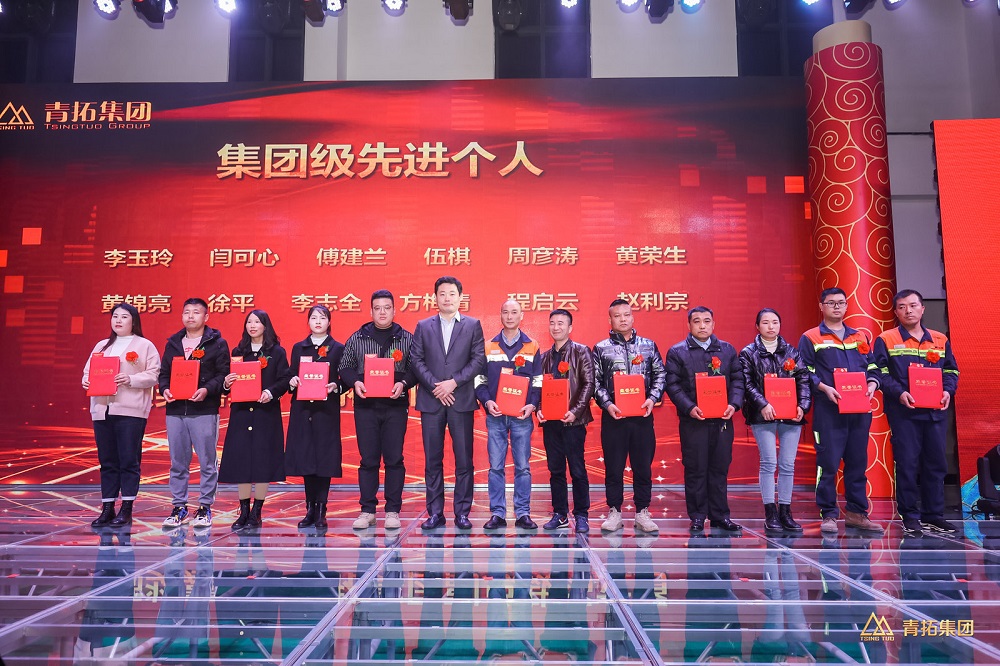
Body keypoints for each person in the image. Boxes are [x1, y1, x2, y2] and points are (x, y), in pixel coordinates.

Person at [873, 289, 960, 536]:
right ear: (896, 312)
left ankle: (934, 515)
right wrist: (900, 392)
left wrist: (948, 391)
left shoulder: (940, 339)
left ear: (922, 309)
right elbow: (879, 372)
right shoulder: (887, 339)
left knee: (936, 464)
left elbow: (951, 370)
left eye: (913, 305)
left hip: (935, 412)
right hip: (904, 413)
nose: (908, 310)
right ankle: (910, 516)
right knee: (908, 464)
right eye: (902, 307)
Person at [799, 287, 883, 534]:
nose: (836, 306)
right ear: (821, 306)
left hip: (859, 410)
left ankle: (857, 513)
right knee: (828, 464)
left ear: (846, 306)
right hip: (829, 410)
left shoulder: (859, 336)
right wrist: (824, 388)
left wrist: (872, 384)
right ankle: (828, 514)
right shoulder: (811, 337)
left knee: (857, 462)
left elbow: (873, 368)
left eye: (841, 302)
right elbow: (804, 371)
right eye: (831, 303)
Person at [410, 276, 486, 531]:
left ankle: (462, 513)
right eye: (442, 293)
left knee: (464, 460)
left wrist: (453, 383)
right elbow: (416, 360)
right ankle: (435, 513)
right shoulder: (423, 326)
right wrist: (437, 386)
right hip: (431, 401)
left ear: (460, 297)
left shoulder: (473, 325)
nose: (447, 298)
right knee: (433, 460)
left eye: (452, 293)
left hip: (460, 400)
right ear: (435, 297)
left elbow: (478, 360)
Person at [339, 290, 415, 531]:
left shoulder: (406, 338)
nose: (382, 312)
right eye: (378, 308)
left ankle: (393, 510)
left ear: (394, 310)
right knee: (368, 460)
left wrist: (404, 383)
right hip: (366, 407)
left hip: (395, 406)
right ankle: (367, 511)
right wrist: (355, 382)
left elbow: (415, 368)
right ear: (371, 311)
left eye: (387, 307)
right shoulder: (357, 338)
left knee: (394, 459)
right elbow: (345, 366)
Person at [665, 306, 745, 534]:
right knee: (696, 468)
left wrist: (734, 404)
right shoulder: (677, 352)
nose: (702, 325)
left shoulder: (727, 350)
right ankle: (698, 516)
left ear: (713, 324)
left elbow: (738, 380)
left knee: (720, 468)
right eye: (697, 321)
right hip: (693, 421)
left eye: (707, 321)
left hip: (722, 421)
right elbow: (673, 385)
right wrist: (689, 408)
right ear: (689, 325)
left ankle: (720, 516)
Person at [82, 302, 161, 528]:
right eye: (115, 316)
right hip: (102, 410)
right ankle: (107, 508)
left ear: (133, 321)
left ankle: (126, 509)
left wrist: (131, 379)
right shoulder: (102, 345)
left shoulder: (144, 345)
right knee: (107, 461)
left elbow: (154, 374)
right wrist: (86, 380)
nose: (118, 320)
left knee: (128, 460)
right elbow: (88, 371)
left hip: (130, 411)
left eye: (124, 316)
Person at [592, 299, 666, 534]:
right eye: (617, 316)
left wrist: (652, 398)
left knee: (642, 467)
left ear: (633, 317)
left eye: (626, 315)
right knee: (614, 468)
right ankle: (614, 511)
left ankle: (642, 511)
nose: (622, 319)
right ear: (610, 320)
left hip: (642, 417)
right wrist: (608, 404)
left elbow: (660, 375)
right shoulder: (601, 348)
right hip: (614, 418)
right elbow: (595, 382)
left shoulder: (648, 346)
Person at [158, 298, 230, 529]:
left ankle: (205, 507)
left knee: (207, 461)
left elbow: (223, 374)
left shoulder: (217, 343)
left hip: (204, 410)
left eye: (196, 312)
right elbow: (163, 374)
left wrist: (207, 389)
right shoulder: (173, 343)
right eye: (186, 312)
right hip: (175, 411)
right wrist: (164, 389)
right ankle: (179, 507)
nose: (190, 316)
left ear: (206, 317)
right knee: (178, 462)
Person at [738, 308, 810, 532]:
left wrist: (802, 406)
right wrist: (763, 404)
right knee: (769, 462)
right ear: (757, 326)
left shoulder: (791, 351)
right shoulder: (748, 353)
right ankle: (770, 513)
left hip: (791, 415)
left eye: (775, 322)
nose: (771, 326)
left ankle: (786, 512)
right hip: (763, 414)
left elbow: (803, 380)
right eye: (766, 322)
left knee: (787, 464)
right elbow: (747, 383)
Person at [218, 310, 291, 531]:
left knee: (262, 462)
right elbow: (227, 381)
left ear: (265, 326)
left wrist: (270, 392)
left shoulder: (276, 352)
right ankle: (243, 510)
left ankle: (256, 511)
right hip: (241, 414)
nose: (252, 325)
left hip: (265, 413)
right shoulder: (238, 351)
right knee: (241, 462)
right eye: (249, 322)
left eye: (257, 322)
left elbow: (285, 379)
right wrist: (226, 383)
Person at [475, 299, 543, 531]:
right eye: (506, 312)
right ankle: (497, 513)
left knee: (523, 466)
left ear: (521, 316)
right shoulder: (488, 346)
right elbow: (479, 380)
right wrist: (487, 401)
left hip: (522, 417)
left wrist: (532, 405)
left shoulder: (532, 346)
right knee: (495, 466)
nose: (510, 316)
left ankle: (523, 513)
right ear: (501, 315)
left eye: (514, 312)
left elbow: (538, 381)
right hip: (495, 415)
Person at [286, 305, 344, 531]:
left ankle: (321, 509)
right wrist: (292, 381)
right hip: (302, 410)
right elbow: (291, 373)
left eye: (322, 318)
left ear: (329, 322)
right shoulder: (299, 347)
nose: (318, 321)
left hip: (326, 411)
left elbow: (345, 378)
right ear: (308, 322)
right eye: (313, 318)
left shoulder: (337, 348)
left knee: (324, 460)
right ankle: (309, 508)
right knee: (306, 459)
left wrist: (336, 385)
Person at [538, 308, 595, 533]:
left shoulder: (581, 352)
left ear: (570, 328)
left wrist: (576, 411)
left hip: (573, 422)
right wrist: (539, 409)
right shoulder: (544, 357)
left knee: (578, 470)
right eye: (552, 323)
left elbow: (588, 384)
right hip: (551, 423)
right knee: (556, 470)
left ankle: (581, 514)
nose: (556, 327)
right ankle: (560, 513)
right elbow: (538, 388)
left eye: (561, 323)